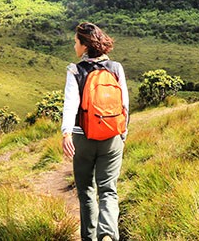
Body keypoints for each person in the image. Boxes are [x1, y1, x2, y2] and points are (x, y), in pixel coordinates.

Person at [62, 22, 129, 241]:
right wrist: (122, 134)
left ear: (84, 46)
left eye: (76, 42)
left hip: (83, 138)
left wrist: (66, 134)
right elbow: (125, 105)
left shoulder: (75, 70)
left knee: (86, 191)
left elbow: (71, 105)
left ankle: (89, 238)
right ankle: (108, 235)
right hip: (112, 136)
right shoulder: (116, 68)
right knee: (108, 189)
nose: (74, 46)